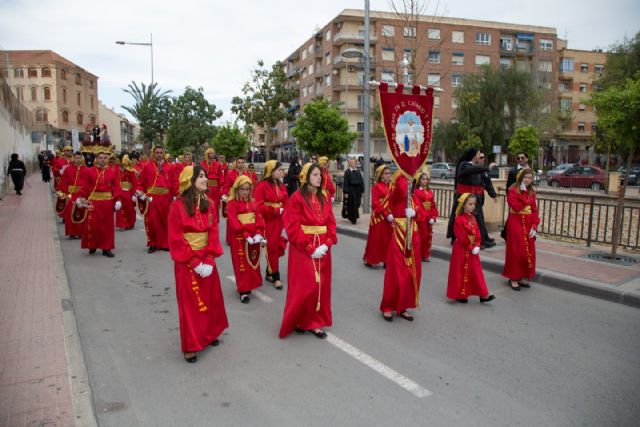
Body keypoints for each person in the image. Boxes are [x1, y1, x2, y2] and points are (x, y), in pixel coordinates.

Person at [168, 165, 228, 363]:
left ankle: (210, 334)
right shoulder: (177, 206)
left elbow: (213, 231)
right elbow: (176, 238)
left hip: (206, 257)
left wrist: (209, 259)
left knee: (211, 298)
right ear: (189, 180)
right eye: (201, 176)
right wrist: (194, 261)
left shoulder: (210, 203)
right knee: (190, 304)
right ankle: (191, 345)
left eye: (205, 176)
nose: (205, 179)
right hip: (187, 261)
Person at [279, 163, 337, 339]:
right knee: (305, 286)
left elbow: (331, 222)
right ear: (305, 177)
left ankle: (315, 322)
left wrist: (327, 243)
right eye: (315, 175)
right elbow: (292, 226)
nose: (319, 178)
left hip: (323, 248)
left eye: (320, 175)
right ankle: (299, 319)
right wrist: (310, 248)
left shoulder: (324, 197)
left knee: (320, 286)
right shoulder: (296, 198)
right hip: (303, 248)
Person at [380, 172, 425, 322]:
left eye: (412, 181)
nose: (409, 184)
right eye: (407, 181)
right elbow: (400, 190)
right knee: (396, 273)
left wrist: (416, 212)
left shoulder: (415, 198)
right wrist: (405, 171)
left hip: (413, 238)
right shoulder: (396, 196)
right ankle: (388, 307)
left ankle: (403, 306)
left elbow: (423, 216)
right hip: (399, 237)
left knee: (410, 274)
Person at [446, 193, 495, 304]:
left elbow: (477, 233)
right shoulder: (459, 219)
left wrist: (477, 244)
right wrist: (471, 247)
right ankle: (461, 295)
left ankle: (483, 294)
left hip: (472, 250)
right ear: (463, 205)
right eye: (470, 204)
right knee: (460, 272)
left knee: (476, 272)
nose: (473, 206)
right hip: (461, 250)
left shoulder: (473, 218)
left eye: (474, 204)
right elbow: (461, 236)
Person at [75, 151, 123, 258]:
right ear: (96, 159)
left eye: (104, 158)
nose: (102, 159)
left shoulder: (113, 171)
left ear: (107, 159)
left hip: (107, 202)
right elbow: (84, 187)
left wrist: (118, 199)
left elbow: (116, 187)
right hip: (93, 202)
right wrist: (80, 198)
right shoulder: (89, 171)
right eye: (100, 157)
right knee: (93, 225)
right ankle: (93, 245)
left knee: (107, 227)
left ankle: (107, 248)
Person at [226, 175, 265, 303]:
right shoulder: (232, 203)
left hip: (253, 237)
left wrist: (259, 232)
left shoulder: (253, 202)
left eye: (247, 189)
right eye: (242, 189)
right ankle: (243, 290)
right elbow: (233, 221)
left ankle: (250, 285)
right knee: (241, 264)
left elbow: (259, 218)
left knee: (252, 262)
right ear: (237, 189)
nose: (245, 192)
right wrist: (245, 234)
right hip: (239, 238)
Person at [446, 148, 494, 247]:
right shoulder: (464, 165)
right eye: (478, 154)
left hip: (472, 197)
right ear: (473, 155)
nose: (479, 156)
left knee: (478, 219)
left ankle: (482, 239)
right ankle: (457, 238)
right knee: (461, 218)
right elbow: (471, 170)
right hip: (464, 197)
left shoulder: (473, 166)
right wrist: (486, 168)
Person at [502, 168, 540, 291]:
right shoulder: (512, 190)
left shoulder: (532, 192)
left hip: (528, 223)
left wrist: (535, 225)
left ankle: (523, 275)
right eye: (525, 177)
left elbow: (534, 209)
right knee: (517, 250)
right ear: (520, 178)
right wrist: (523, 194)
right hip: (516, 222)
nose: (528, 180)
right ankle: (513, 278)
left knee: (528, 250)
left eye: (530, 178)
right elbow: (517, 207)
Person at [253, 160, 289, 290]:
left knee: (280, 244)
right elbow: (258, 206)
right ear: (271, 171)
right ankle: (275, 276)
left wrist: (285, 211)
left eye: (281, 170)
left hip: (280, 220)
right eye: (279, 170)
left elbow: (286, 201)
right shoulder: (261, 186)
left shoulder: (281, 185)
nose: (281, 172)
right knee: (272, 247)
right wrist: (274, 210)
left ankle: (269, 271)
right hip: (268, 221)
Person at [136, 146, 177, 253]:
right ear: (153, 154)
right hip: (152, 199)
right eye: (157, 152)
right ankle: (153, 243)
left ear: (163, 153)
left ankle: (165, 244)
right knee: (152, 222)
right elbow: (142, 183)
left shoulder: (170, 167)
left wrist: (175, 194)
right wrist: (140, 192)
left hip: (166, 198)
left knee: (165, 222)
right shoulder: (146, 166)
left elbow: (174, 182)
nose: (159, 154)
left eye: (161, 152)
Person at [363, 165, 393, 267]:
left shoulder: (392, 187)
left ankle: (387, 260)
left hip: (390, 216)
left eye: (389, 173)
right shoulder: (376, 187)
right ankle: (371, 259)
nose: (388, 175)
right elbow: (375, 203)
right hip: (379, 217)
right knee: (376, 239)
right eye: (386, 173)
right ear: (381, 175)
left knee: (388, 239)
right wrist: (385, 214)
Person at [413, 170, 439, 262]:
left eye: (426, 179)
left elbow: (433, 205)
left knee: (428, 236)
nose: (425, 181)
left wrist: (433, 217)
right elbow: (417, 205)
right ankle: (418, 255)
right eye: (423, 179)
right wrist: (423, 216)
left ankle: (425, 255)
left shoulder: (430, 191)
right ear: (419, 180)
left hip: (429, 217)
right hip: (421, 217)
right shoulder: (416, 192)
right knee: (421, 236)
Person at [59, 151, 85, 239]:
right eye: (76, 158)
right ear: (73, 158)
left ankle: (81, 232)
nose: (78, 160)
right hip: (71, 195)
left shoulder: (86, 170)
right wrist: (63, 194)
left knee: (81, 212)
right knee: (70, 213)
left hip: (82, 195)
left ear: (82, 159)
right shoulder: (68, 169)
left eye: (79, 158)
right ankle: (72, 232)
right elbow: (64, 182)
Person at [116, 155, 138, 230]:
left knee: (129, 209)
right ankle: (123, 224)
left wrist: (134, 194)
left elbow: (135, 183)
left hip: (129, 192)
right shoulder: (117, 171)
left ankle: (130, 223)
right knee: (121, 208)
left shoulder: (131, 171)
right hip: (120, 191)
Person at [342, 157, 365, 224]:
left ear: (356, 163)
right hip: (350, 189)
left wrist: (362, 190)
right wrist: (346, 192)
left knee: (357, 203)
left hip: (358, 190)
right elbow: (345, 182)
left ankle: (352, 215)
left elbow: (361, 181)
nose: (353, 164)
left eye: (354, 162)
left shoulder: (358, 171)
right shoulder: (347, 172)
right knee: (352, 204)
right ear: (349, 163)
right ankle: (353, 218)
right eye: (351, 162)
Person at [200, 148, 222, 215]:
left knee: (214, 205)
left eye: (213, 153)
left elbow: (220, 177)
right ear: (207, 154)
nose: (213, 154)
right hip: (205, 188)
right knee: (205, 204)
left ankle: (214, 222)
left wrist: (220, 188)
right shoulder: (202, 164)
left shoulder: (217, 164)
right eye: (211, 153)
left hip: (215, 189)